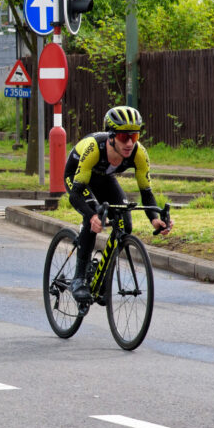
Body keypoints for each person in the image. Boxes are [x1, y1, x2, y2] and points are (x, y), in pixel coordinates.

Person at [63, 105, 173, 302]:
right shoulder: (94, 148)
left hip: (105, 178)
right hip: (78, 178)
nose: (130, 143)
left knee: (125, 225)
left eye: (134, 136)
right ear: (111, 136)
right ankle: (79, 279)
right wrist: (92, 215)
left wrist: (154, 219)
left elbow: (146, 193)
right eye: (124, 137)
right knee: (93, 219)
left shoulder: (139, 153)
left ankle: (103, 277)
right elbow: (76, 194)